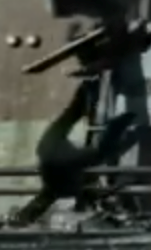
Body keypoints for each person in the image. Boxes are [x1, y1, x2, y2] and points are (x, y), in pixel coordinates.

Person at [12, 80, 142, 225]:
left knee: (77, 129)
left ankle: (91, 97)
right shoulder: (70, 178)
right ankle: (112, 119)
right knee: (93, 147)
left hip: (55, 163)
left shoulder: (60, 181)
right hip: (58, 165)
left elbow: (101, 152)